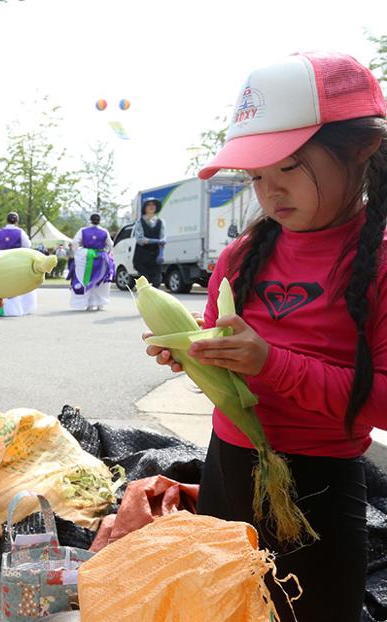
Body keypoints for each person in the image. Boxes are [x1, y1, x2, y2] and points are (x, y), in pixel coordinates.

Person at [146, 52, 387, 622]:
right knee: (227, 609)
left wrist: (270, 364)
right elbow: (226, 360)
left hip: (321, 486)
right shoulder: (241, 256)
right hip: (228, 464)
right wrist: (197, 356)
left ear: (360, 150)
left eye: (289, 168)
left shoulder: (377, 265)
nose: (270, 192)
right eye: (257, 176)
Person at [0, 212, 37, 316]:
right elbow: (28, 245)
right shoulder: (20, 232)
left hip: (2, 262)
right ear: (17, 221)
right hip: (17, 262)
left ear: (6, 220)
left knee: (3, 285)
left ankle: (3, 309)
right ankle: (21, 308)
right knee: (20, 284)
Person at [69, 213, 114, 311]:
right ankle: (100, 303)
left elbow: (75, 242)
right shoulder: (104, 231)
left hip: (86, 257)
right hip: (101, 257)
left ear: (90, 220)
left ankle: (89, 303)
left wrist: (79, 252)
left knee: (86, 278)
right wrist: (107, 252)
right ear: (99, 220)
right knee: (100, 281)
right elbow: (110, 244)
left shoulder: (83, 230)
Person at [133, 197, 166, 288]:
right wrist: (155, 241)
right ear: (145, 208)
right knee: (144, 281)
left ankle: (154, 301)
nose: (151, 207)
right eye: (149, 205)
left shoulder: (161, 222)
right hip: (142, 255)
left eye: (153, 205)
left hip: (155, 255)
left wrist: (161, 254)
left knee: (157, 281)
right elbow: (140, 239)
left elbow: (163, 239)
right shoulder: (140, 222)